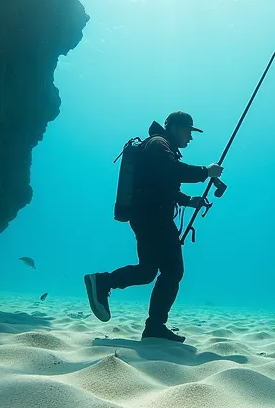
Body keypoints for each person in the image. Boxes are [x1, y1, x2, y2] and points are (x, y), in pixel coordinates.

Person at [84, 111, 224, 342]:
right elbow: (171, 170)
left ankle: (147, 320)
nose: (190, 137)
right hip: (152, 218)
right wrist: (205, 172)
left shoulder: (161, 147)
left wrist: (188, 200)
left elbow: (163, 185)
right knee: (171, 271)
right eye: (189, 131)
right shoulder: (159, 144)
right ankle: (146, 318)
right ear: (175, 128)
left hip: (151, 217)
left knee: (150, 271)